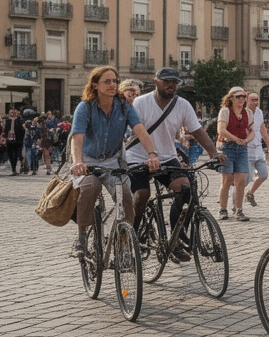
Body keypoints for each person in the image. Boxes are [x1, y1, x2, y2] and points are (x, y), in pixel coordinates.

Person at [69, 67, 161, 258]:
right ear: (95, 85)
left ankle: (124, 243)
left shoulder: (124, 106)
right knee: (89, 187)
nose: (113, 85)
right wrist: (78, 162)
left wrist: (152, 154)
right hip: (87, 160)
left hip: (113, 160)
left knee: (126, 197)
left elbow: (141, 131)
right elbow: (77, 138)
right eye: (107, 81)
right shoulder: (85, 107)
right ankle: (82, 235)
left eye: (115, 81)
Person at [127, 68, 218, 258]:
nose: (171, 85)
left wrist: (213, 152)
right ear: (156, 82)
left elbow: (197, 130)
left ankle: (176, 238)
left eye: (175, 82)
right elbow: (138, 131)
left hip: (167, 157)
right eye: (167, 81)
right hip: (138, 157)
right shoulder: (141, 103)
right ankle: (132, 237)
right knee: (142, 194)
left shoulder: (183, 105)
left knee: (186, 189)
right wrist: (150, 155)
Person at [215, 86, 253, 221]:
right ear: (231, 98)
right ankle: (223, 209)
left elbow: (252, 130)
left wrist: (247, 139)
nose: (242, 99)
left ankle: (238, 210)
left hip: (242, 147)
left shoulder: (247, 112)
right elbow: (221, 130)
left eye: (243, 96)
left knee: (241, 180)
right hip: (227, 147)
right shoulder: (225, 111)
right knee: (227, 180)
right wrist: (236, 139)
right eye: (238, 97)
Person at [244, 92, 269, 208]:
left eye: (257, 100)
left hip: (257, 147)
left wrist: (268, 143)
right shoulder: (243, 113)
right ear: (246, 100)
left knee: (263, 174)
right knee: (246, 179)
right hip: (247, 148)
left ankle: (250, 193)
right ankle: (236, 204)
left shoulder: (259, 112)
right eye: (252, 100)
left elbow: (262, 128)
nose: (255, 102)